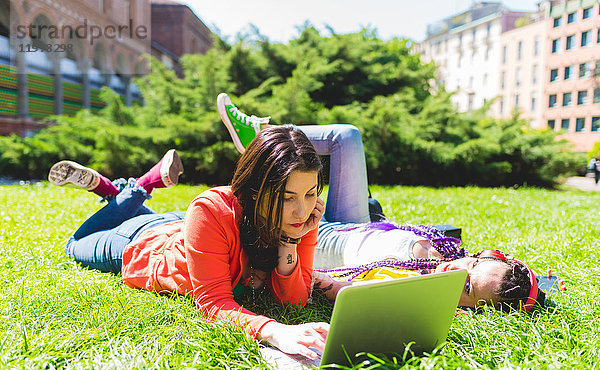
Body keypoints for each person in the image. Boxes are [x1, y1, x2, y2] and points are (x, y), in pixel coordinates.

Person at [217, 93, 547, 313]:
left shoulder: (408, 290)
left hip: (314, 232)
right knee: (347, 136)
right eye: (473, 264)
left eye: (467, 286)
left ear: (466, 307)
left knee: (194, 217)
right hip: (353, 223)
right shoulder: (445, 256)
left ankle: (259, 153)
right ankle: (263, 136)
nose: (460, 269)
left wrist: (300, 259)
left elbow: (333, 287)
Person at [49, 127, 330, 361]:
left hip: (186, 226)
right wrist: (275, 331)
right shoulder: (212, 209)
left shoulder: (299, 218)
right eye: (287, 197)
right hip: (141, 241)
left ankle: (115, 189)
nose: (302, 211)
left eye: (310, 193)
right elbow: (214, 303)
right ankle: (139, 188)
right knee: (74, 244)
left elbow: (293, 301)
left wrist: (291, 242)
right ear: (255, 191)